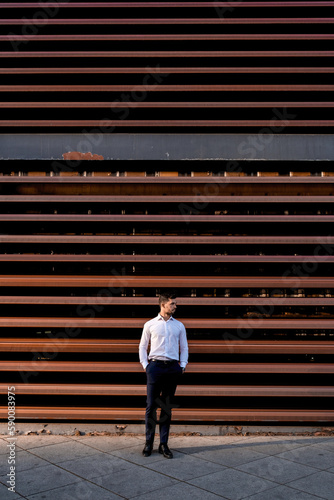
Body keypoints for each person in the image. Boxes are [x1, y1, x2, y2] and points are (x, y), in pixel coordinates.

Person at [139, 291, 188, 459]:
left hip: (172, 368)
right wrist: (146, 366)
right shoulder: (150, 324)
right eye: (172, 303)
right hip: (155, 367)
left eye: (175, 303)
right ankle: (148, 443)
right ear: (163, 305)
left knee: (166, 407)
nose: (175, 306)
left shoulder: (179, 326)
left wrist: (182, 366)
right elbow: (142, 346)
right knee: (151, 406)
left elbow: (184, 347)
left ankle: (164, 444)